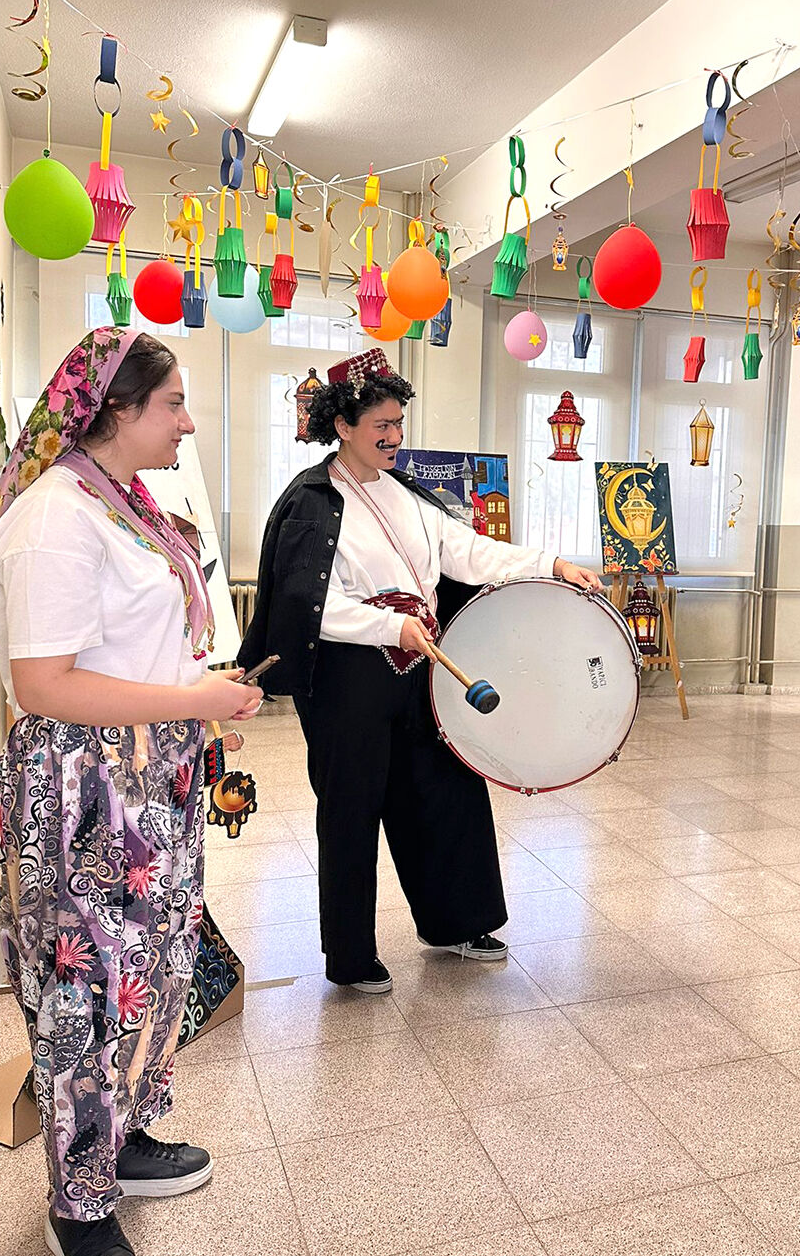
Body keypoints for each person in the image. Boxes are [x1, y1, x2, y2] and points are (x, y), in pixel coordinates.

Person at [0, 329, 262, 1256]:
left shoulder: (124, 507)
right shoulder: (57, 518)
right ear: (118, 412)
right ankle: (76, 1206)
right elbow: (47, 684)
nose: (186, 421)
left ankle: (123, 1136)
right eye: (173, 403)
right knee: (83, 999)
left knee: (149, 975)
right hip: (81, 794)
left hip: (148, 782)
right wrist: (193, 702)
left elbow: (130, 653)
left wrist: (201, 686)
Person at [240, 349, 600, 994]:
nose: (394, 436)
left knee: (445, 790)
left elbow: (468, 553)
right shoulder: (311, 501)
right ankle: (350, 956)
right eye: (380, 423)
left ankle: (458, 922)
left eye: (398, 423)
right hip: (349, 679)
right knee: (352, 809)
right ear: (343, 425)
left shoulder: (409, 494)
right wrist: (388, 625)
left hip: (419, 670)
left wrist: (551, 564)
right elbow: (309, 605)